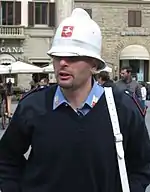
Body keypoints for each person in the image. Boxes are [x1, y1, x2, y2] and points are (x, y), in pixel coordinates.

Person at [0, 8, 150, 192]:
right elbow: (6, 159)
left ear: (94, 65)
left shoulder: (122, 109)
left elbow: (142, 165)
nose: (62, 63)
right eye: (57, 56)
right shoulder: (33, 106)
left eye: (72, 57)